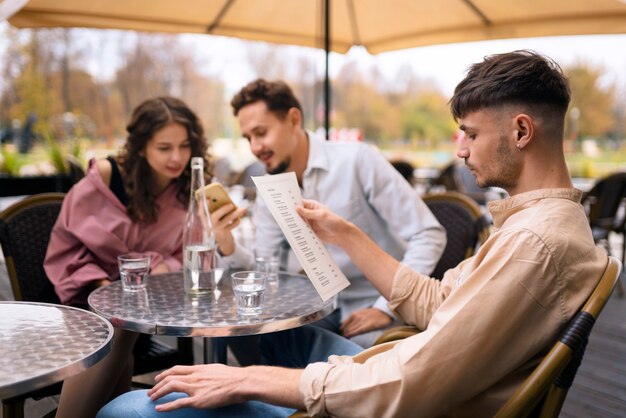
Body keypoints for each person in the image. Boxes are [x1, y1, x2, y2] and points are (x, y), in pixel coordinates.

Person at [98, 50, 608, 417]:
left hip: (393, 389)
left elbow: (410, 384)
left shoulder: (534, 244)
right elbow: (442, 307)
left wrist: (247, 381)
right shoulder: (536, 227)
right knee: (259, 344)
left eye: (470, 134)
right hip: (393, 367)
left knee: (128, 408)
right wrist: (344, 233)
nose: (460, 150)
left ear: (521, 132)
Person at [44, 96, 245, 418]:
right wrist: (111, 289)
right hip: (84, 300)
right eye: (164, 148)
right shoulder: (110, 178)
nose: (176, 157)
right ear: (141, 147)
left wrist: (156, 273)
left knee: (123, 329)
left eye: (183, 146)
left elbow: (187, 257)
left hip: (153, 306)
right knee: (115, 325)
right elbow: (68, 250)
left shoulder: (187, 191)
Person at [219, 79, 446, 346]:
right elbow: (265, 270)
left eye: (261, 133)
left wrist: (386, 307)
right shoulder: (270, 186)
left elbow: (428, 234)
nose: (255, 147)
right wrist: (228, 244)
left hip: (374, 302)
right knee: (235, 337)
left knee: (347, 357)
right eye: (248, 138)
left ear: (294, 119)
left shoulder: (357, 161)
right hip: (312, 308)